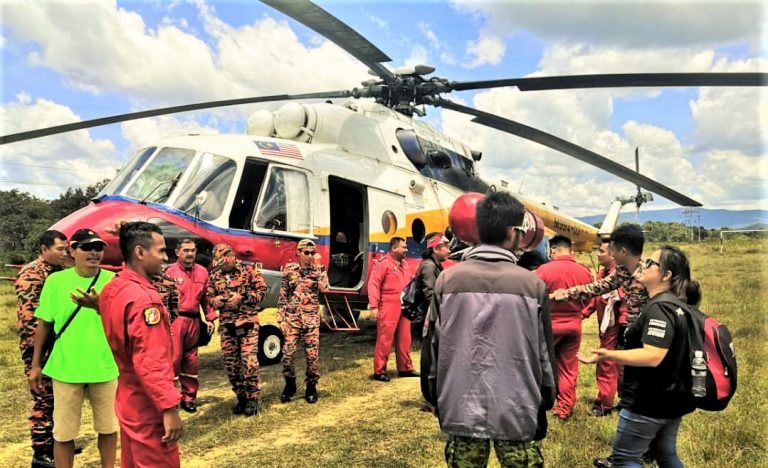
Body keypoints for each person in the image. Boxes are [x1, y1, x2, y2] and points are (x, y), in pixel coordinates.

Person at [429, 191, 557, 467]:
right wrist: (547, 395)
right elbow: (544, 352)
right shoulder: (533, 285)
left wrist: (433, 395)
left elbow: (433, 345)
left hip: (460, 405)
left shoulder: (447, 280)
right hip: (518, 407)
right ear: (512, 232)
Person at [579, 245, 699, 467]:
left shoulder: (660, 309)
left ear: (666, 275)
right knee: (666, 454)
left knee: (625, 459)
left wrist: (608, 355)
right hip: (671, 398)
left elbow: (653, 355)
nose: (644, 265)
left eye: (651, 263)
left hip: (649, 401)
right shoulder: (675, 305)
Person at [29, 229, 118, 468]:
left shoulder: (113, 281)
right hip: (66, 368)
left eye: (98, 248)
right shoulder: (56, 282)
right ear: (72, 251)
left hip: (105, 366)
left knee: (109, 428)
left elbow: (123, 323)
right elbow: (44, 324)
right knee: (63, 433)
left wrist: (100, 307)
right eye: (86, 247)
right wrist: (35, 365)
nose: (94, 253)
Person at [100, 222, 183, 468]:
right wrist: (168, 407)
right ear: (139, 252)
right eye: (161, 251)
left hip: (128, 395)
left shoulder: (113, 288)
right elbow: (150, 360)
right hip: (148, 402)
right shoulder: (144, 299)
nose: (166, 258)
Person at [15, 230, 69, 467]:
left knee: (60, 397)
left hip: (60, 345)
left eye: (67, 249)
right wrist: (39, 354)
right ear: (44, 249)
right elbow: (31, 320)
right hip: (40, 347)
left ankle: (57, 444)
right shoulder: (32, 273)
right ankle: (42, 451)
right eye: (60, 249)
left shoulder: (60, 272)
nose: (65, 253)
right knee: (44, 399)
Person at [534, 235, 593, 421]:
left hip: (549, 325)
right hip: (574, 324)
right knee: (568, 368)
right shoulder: (585, 272)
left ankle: (538, 404)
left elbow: (534, 297)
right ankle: (564, 409)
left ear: (553, 249)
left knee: (540, 365)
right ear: (570, 250)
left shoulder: (543, 270)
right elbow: (590, 298)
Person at [206, 243, 267, 416]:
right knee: (230, 364)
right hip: (227, 325)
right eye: (219, 262)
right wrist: (215, 301)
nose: (222, 265)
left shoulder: (250, 271)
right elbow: (209, 296)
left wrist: (243, 297)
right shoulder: (215, 275)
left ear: (232, 256)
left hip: (247, 322)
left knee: (249, 361)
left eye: (224, 261)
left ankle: (252, 398)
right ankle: (242, 397)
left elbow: (263, 292)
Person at [551, 224, 647, 328]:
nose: (612, 255)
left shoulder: (650, 275)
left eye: (613, 250)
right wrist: (560, 295)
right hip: (632, 330)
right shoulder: (622, 272)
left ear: (623, 251)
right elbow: (595, 288)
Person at [165, 238, 217, 413]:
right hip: (175, 320)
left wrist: (210, 318)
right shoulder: (169, 272)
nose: (190, 254)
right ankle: (170, 398)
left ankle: (189, 397)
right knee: (174, 359)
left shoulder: (202, 272)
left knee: (191, 361)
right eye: (186, 250)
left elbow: (206, 299)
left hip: (194, 321)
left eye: (192, 250)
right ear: (177, 252)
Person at [277, 239, 330, 404]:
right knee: (287, 355)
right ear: (298, 253)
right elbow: (283, 295)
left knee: (312, 357)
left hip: (311, 320)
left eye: (312, 253)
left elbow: (324, 288)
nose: (309, 256)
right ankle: (290, 384)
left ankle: (311, 387)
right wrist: (281, 317)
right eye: (306, 252)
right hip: (292, 319)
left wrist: (320, 266)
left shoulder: (317, 270)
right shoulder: (289, 269)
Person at [581, 239, 627, 416]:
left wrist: (623, 328)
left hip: (616, 328)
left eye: (601, 251)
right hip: (606, 328)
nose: (598, 254)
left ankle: (604, 405)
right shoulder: (603, 274)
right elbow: (596, 298)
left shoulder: (621, 276)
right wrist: (583, 313)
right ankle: (624, 401)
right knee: (619, 366)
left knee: (607, 364)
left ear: (613, 255)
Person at [368, 236, 417, 382]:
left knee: (405, 338)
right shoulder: (383, 264)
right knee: (385, 339)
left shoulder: (405, 264)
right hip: (388, 304)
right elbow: (374, 284)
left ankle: (405, 368)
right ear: (394, 248)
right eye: (404, 247)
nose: (406, 250)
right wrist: (373, 306)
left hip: (404, 305)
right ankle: (379, 371)